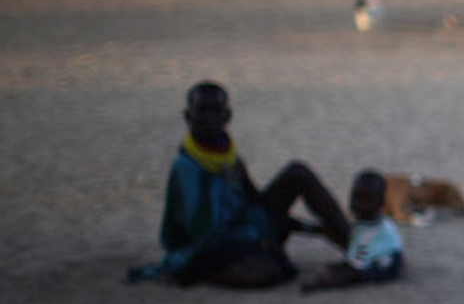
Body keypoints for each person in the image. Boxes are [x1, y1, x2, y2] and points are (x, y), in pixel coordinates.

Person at [127, 81, 352, 288]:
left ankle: (359, 250)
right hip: (210, 247)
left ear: (228, 116)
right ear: (188, 116)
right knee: (264, 273)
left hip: (244, 230)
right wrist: (258, 241)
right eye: (203, 110)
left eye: (216, 111)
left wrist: (310, 227)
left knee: (298, 173)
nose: (210, 118)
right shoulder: (186, 166)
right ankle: (216, 271)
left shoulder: (229, 156)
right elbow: (203, 232)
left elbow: (252, 201)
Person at [300, 170, 407, 293]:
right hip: (385, 255)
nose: (358, 204)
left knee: (353, 274)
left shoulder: (370, 234)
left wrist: (321, 282)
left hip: (384, 266)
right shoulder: (373, 222)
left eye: (366, 199)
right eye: (355, 196)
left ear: (381, 202)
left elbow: (356, 264)